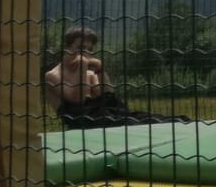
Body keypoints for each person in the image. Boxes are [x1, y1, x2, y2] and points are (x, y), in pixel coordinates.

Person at [44, 27, 189, 129]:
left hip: (109, 116)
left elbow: (108, 96)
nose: (86, 53)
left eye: (90, 49)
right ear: (66, 47)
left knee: (158, 119)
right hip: (83, 121)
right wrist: (82, 65)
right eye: (80, 47)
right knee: (136, 126)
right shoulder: (53, 76)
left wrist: (100, 70)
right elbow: (78, 99)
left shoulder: (89, 74)